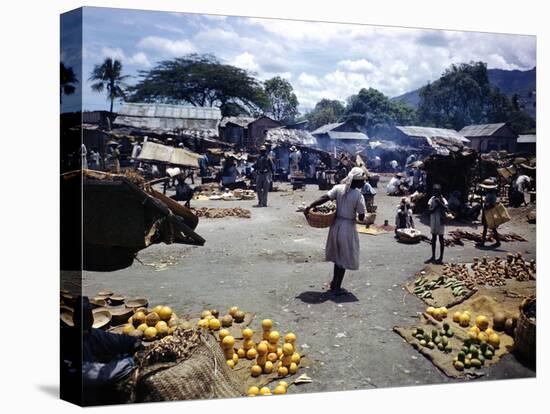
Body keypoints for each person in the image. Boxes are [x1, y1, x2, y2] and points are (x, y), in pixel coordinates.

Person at [63, 296, 143, 405]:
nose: (84, 323)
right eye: (81, 318)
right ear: (74, 319)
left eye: (87, 318)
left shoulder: (94, 334)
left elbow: (118, 340)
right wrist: (129, 361)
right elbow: (96, 376)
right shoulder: (65, 341)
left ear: (91, 319)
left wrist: (134, 343)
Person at [304, 167, 367, 295]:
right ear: (356, 181)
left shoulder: (338, 188)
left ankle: (334, 283)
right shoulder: (358, 196)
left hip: (336, 225)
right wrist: (360, 214)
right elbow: (361, 216)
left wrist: (310, 206)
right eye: (362, 181)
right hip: (348, 227)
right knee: (343, 258)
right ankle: (337, 288)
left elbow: (324, 198)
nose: (363, 183)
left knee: (338, 257)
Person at [426, 184, 449, 264]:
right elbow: (429, 210)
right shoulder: (431, 199)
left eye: (437, 192)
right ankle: (433, 256)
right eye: (434, 191)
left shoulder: (443, 200)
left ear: (439, 192)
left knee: (441, 239)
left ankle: (441, 257)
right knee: (433, 238)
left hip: (440, 221)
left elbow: (447, 209)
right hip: (433, 221)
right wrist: (435, 207)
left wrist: (440, 203)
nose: (435, 193)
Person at [476, 178, 502, 248]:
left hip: (489, 212)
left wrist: (487, 205)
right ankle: (484, 241)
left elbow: (492, 204)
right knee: (487, 227)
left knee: (490, 227)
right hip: (486, 211)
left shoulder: (492, 195)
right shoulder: (489, 194)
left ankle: (486, 242)